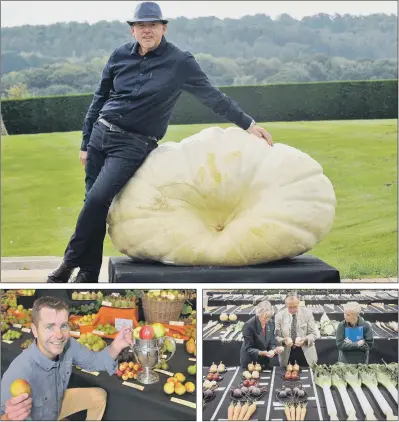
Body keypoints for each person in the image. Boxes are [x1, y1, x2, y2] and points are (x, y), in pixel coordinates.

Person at [46, 1, 273, 283]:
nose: (147, 30)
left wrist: (248, 123)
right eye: (141, 25)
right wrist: (85, 141)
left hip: (133, 144)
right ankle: (89, 274)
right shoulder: (119, 55)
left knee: (97, 200)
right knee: (93, 206)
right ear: (133, 30)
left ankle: (69, 261)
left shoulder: (180, 62)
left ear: (163, 28)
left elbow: (213, 96)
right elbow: (99, 98)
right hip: (100, 135)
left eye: (153, 25)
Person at [0, 296, 133, 421]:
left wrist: (116, 346)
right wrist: (8, 418)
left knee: (98, 396)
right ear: (35, 330)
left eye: (63, 325)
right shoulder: (19, 373)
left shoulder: (68, 345)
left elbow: (94, 361)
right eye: (49, 327)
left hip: (55, 404)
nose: (59, 335)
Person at [275, 292, 319, 367]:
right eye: (290, 307)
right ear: (286, 304)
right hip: (287, 354)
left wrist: (304, 339)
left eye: (295, 306)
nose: (292, 309)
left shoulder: (307, 313)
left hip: (305, 353)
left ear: (299, 303)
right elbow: (276, 336)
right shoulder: (279, 316)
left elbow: (313, 334)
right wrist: (284, 340)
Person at [240, 301, 283, 369]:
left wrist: (274, 350)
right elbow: (248, 348)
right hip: (251, 361)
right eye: (262, 316)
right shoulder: (249, 326)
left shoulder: (271, 323)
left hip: (264, 360)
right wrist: (261, 352)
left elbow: (271, 342)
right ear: (258, 314)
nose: (265, 319)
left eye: (268, 317)